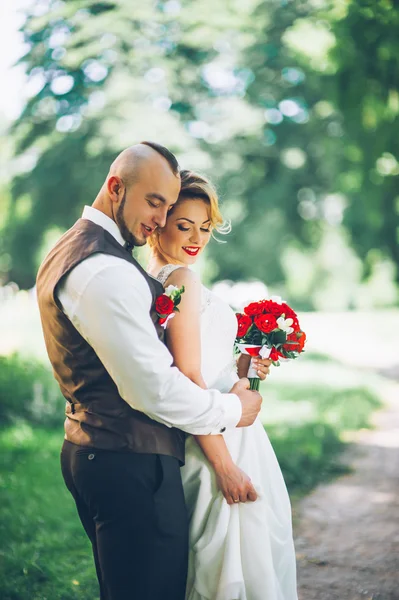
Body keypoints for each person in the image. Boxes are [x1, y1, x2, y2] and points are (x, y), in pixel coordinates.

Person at [35, 142, 267, 600]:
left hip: (113, 452)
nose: (161, 220)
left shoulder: (84, 252)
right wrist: (232, 409)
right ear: (116, 187)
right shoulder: (103, 269)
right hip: (130, 461)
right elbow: (156, 388)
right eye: (155, 203)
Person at [147, 169, 298, 600]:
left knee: (233, 558)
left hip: (221, 424)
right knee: (235, 562)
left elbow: (196, 364)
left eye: (205, 227)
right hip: (218, 441)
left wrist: (244, 368)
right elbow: (188, 376)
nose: (196, 237)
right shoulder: (182, 281)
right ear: (160, 223)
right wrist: (225, 466)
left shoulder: (160, 281)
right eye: (184, 225)